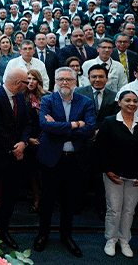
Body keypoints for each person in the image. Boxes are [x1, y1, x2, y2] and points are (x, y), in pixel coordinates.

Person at [35, 67, 96, 258]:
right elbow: (45, 126)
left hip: (75, 159)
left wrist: (58, 128)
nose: (64, 83)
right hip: (52, 159)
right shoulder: (47, 100)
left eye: (69, 79)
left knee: (70, 200)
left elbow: (91, 128)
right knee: (47, 199)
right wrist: (75, 124)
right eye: (60, 79)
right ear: (55, 81)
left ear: (76, 82)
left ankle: (66, 236)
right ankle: (43, 234)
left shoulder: (85, 101)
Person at [96, 90, 138, 258]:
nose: (131, 103)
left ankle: (125, 240)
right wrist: (107, 170)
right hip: (114, 174)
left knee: (129, 210)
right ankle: (111, 239)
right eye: (127, 100)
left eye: (135, 101)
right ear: (119, 102)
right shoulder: (109, 122)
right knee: (114, 209)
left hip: (136, 175)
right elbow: (101, 149)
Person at [0, 68, 31, 249]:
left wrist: (23, 143)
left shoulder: (20, 97)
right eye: (26, 82)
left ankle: (3, 230)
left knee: (10, 197)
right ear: (18, 83)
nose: (28, 85)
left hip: (16, 158)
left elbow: (27, 123)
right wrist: (14, 147)